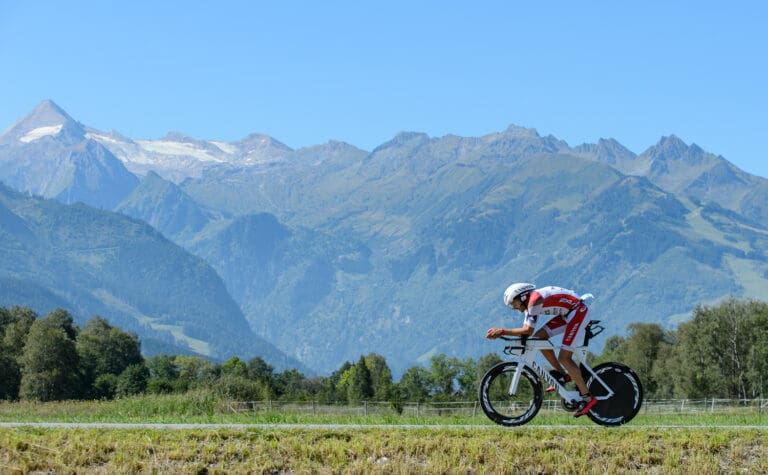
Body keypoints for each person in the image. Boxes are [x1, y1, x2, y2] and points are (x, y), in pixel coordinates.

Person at [485, 282, 597, 417]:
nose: (517, 309)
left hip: (578, 312)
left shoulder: (535, 301)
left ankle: (588, 398)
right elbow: (527, 334)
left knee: (564, 358)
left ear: (523, 297)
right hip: (568, 313)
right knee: (538, 339)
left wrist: (502, 331)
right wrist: (506, 335)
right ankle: (562, 375)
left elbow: (528, 330)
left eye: (515, 304)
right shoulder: (530, 303)